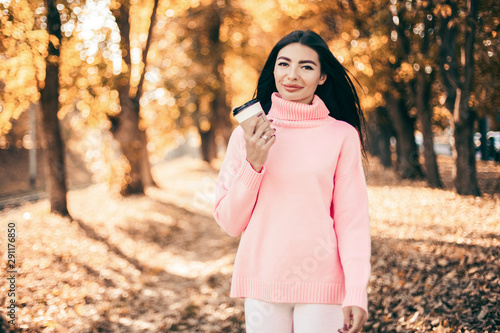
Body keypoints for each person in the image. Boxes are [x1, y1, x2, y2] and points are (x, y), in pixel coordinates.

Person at [213, 30, 371, 333]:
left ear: (322, 76)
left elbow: (352, 222)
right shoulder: (245, 137)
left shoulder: (342, 136)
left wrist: (356, 290)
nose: (292, 75)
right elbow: (230, 223)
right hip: (263, 283)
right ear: (273, 69)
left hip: (324, 285)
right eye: (283, 64)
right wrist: (254, 163)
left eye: (306, 66)